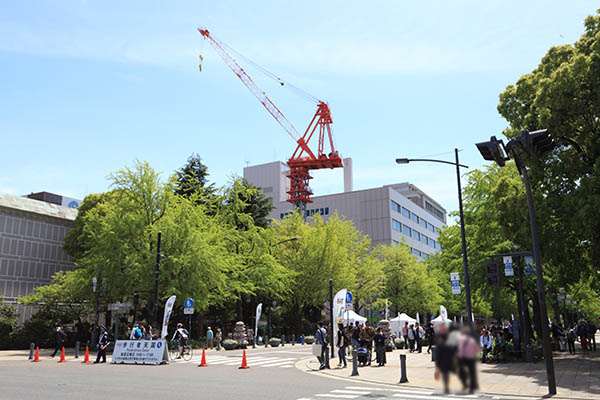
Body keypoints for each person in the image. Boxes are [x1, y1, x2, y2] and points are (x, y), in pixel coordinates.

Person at [457, 327, 479, 394]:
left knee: (461, 372)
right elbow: (476, 349)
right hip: (472, 358)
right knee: (472, 373)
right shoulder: (472, 340)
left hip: (464, 358)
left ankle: (465, 384)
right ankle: (472, 388)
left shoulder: (462, 339)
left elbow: (460, 349)